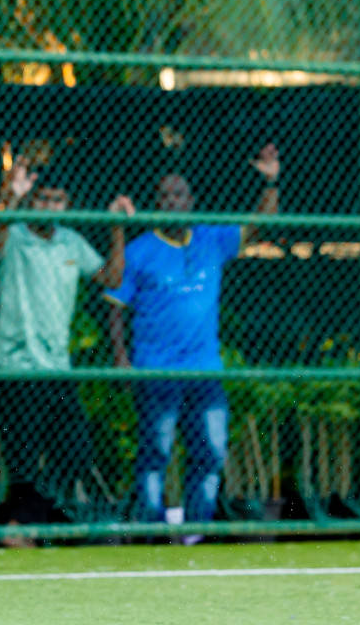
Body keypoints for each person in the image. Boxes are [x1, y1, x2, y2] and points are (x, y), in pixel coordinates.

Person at [104, 145, 280, 532]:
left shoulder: (210, 240)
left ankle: (195, 530)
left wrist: (270, 181)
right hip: (155, 371)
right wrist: (121, 356)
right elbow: (115, 303)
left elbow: (260, 223)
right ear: (156, 202)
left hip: (205, 370)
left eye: (179, 193)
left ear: (191, 199)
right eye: (165, 195)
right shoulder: (140, 250)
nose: (173, 201)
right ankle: (152, 529)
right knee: (156, 453)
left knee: (211, 452)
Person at [0, 160, 132, 529]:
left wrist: (116, 227)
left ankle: (22, 521)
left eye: (58, 200)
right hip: (14, 364)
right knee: (24, 456)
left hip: (57, 367)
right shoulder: (14, 232)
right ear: (33, 199)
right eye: (44, 198)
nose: (50, 206)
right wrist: (10, 197)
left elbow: (112, 278)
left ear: (67, 204)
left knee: (76, 452)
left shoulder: (71, 240)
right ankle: (22, 524)